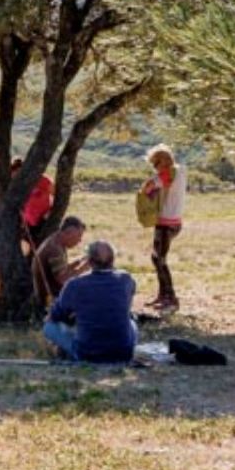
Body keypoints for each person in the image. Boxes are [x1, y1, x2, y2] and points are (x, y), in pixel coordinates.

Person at [43, 241, 138, 363]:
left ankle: (67, 350)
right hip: (123, 354)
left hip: (87, 354)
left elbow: (55, 315)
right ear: (113, 260)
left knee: (49, 327)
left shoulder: (75, 285)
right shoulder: (126, 279)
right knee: (131, 322)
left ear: (89, 261)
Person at [142, 144, 187, 313]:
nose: (155, 168)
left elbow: (147, 188)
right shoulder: (180, 171)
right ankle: (163, 295)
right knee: (157, 258)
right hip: (173, 222)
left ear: (164, 160)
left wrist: (151, 187)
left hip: (166, 223)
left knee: (159, 259)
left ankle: (170, 298)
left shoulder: (168, 174)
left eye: (156, 163)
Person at [32, 216, 90, 309]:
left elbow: (60, 271)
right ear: (68, 233)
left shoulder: (56, 241)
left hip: (52, 293)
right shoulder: (55, 250)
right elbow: (63, 280)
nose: (79, 240)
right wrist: (83, 268)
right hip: (50, 299)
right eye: (78, 236)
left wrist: (78, 262)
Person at [13, 157, 54, 248]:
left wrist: (50, 212)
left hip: (42, 221)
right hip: (27, 223)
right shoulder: (18, 184)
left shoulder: (44, 180)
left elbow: (57, 195)